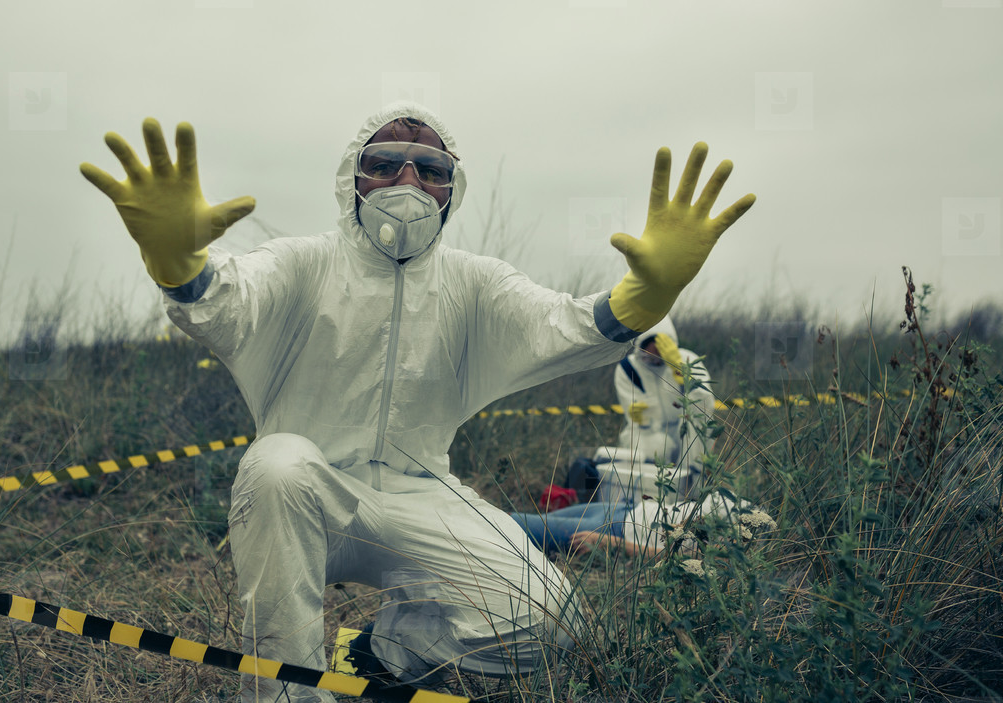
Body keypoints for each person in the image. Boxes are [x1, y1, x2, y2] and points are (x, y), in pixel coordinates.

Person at [79, 102, 755, 702]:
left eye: (429, 167)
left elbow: (568, 327)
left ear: (452, 187)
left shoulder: (474, 284)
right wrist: (181, 268)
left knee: (554, 623)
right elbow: (225, 303)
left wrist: (645, 298)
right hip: (306, 494)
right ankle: (287, 694)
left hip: (422, 491)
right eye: (386, 162)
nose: (408, 182)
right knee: (276, 463)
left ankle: (381, 653)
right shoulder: (302, 264)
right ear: (352, 178)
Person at [611, 316, 715, 471]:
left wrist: (681, 372)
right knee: (655, 447)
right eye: (650, 355)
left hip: (685, 431)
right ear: (640, 345)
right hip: (649, 432)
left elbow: (705, 404)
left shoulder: (688, 359)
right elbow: (636, 414)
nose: (655, 361)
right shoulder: (628, 369)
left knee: (696, 422)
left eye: (660, 356)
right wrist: (640, 418)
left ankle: (690, 486)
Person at [509, 491, 753, 557]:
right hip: (623, 509)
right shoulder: (744, 505)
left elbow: (669, 557)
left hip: (611, 531)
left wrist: (608, 542)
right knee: (532, 520)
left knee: (515, 524)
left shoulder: (737, 542)